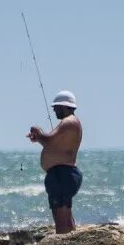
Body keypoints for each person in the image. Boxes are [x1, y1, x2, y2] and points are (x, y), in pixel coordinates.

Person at [27, 90, 83, 234]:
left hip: (62, 174)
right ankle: (69, 239)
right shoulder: (69, 124)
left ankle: (63, 241)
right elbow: (53, 144)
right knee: (64, 213)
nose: (53, 110)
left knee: (61, 214)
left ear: (65, 106)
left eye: (56, 107)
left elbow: (49, 140)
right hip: (62, 174)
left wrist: (38, 132)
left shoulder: (69, 122)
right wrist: (38, 138)